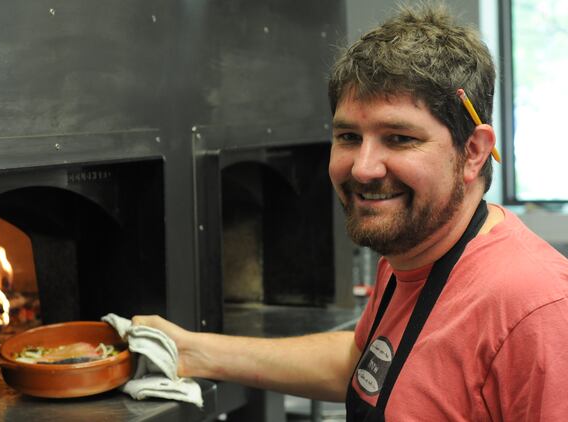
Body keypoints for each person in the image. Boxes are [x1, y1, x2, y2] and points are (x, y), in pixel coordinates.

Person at [133, 4, 568, 421]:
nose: (362, 167)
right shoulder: (411, 251)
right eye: (348, 136)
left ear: (473, 151)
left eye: (399, 138)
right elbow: (365, 362)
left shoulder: (534, 309)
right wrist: (190, 351)